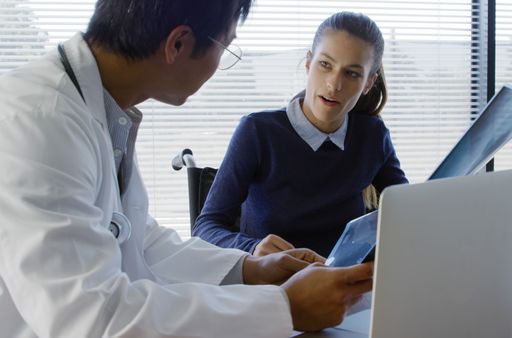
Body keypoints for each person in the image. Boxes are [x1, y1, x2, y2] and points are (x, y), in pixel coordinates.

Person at [0, 1, 374, 337]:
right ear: (178, 44)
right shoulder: (40, 121)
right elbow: (93, 318)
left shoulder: (100, 110)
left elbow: (141, 240)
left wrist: (250, 270)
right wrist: (283, 308)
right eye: (225, 46)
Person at [193, 12, 409, 257]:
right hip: (273, 286)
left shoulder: (372, 136)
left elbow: (407, 215)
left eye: (352, 74)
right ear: (309, 63)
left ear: (369, 82)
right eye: (325, 65)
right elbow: (204, 228)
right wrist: (252, 248)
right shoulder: (258, 131)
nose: (334, 84)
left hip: (341, 285)